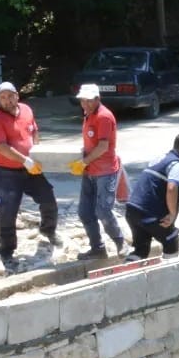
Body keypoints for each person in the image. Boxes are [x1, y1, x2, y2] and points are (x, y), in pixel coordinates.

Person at [0, 81, 61, 272]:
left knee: (48, 198)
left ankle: (48, 230)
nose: (7, 100)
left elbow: (33, 131)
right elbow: (1, 147)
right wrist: (25, 160)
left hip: (31, 169)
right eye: (2, 97)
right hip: (6, 173)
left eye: (10, 96)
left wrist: (38, 154)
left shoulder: (26, 109)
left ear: (17, 96)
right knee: (7, 212)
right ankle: (7, 253)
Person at [71, 84, 126, 260]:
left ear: (97, 99)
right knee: (85, 212)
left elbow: (103, 146)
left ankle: (120, 242)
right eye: (82, 100)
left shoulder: (103, 117)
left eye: (88, 100)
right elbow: (92, 142)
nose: (84, 104)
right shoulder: (89, 115)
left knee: (103, 211)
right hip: (90, 171)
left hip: (105, 171)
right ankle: (98, 248)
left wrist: (83, 162)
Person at [125, 133, 179, 260]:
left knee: (141, 248)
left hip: (132, 210)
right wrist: (172, 214)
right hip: (149, 213)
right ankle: (171, 273)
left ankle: (130, 265)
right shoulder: (177, 165)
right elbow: (172, 188)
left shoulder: (160, 159)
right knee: (171, 239)